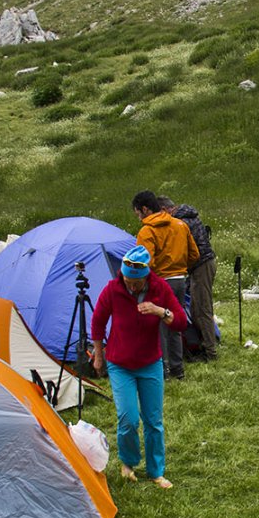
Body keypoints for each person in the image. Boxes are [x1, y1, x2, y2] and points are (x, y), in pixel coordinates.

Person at [90, 246, 188, 489]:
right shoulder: (113, 289)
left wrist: (159, 311)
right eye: (127, 280)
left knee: (153, 421)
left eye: (136, 282)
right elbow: (98, 321)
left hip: (150, 363)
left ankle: (156, 472)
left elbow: (181, 322)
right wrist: (99, 355)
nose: (131, 286)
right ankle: (128, 463)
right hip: (119, 364)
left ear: (146, 276)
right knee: (128, 419)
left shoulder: (159, 288)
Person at [133, 190, 200, 379]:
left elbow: (144, 262)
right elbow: (194, 254)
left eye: (138, 213)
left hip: (160, 282)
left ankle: (162, 370)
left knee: (158, 328)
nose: (139, 218)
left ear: (145, 209)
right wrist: (180, 267)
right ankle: (178, 369)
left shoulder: (147, 231)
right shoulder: (180, 225)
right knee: (175, 324)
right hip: (180, 280)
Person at [165, 198, 218, 361]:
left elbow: (184, 249)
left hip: (201, 265)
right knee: (195, 309)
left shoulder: (180, 223)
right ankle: (204, 345)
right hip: (200, 265)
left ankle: (211, 352)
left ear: (167, 209)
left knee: (203, 310)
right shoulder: (187, 216)